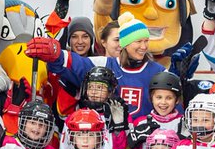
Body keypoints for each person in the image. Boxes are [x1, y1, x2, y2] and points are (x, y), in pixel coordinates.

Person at [29, 17, 166, 121]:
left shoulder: (159, 72)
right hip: (107, 140)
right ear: (126, 44)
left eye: (146, 41)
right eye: (138, 41)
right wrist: (57, 55)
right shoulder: (105, 63)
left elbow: (173, 107)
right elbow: (78, 65)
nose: (144, 47)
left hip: (142, 144)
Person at [126, 71, 184, 149]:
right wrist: (136, 146)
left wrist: (181, 139)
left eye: (169, 98)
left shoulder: (184, 123)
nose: (163, 102)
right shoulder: (141, 123)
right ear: (151, 99)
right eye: (158, 97)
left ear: (177, 100)